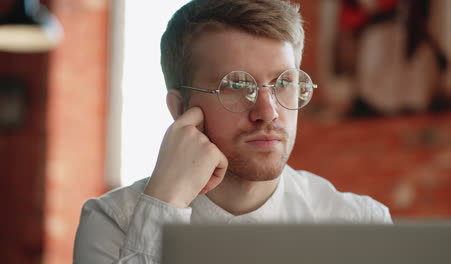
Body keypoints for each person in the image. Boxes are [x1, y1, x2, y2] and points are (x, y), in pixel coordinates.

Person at [73, 0, 392, 263]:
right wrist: (165, 204)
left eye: (284, 83)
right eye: (237, 85)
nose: (267, 112)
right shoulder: (112, 222)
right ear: (181, 109)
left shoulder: (359, 224)